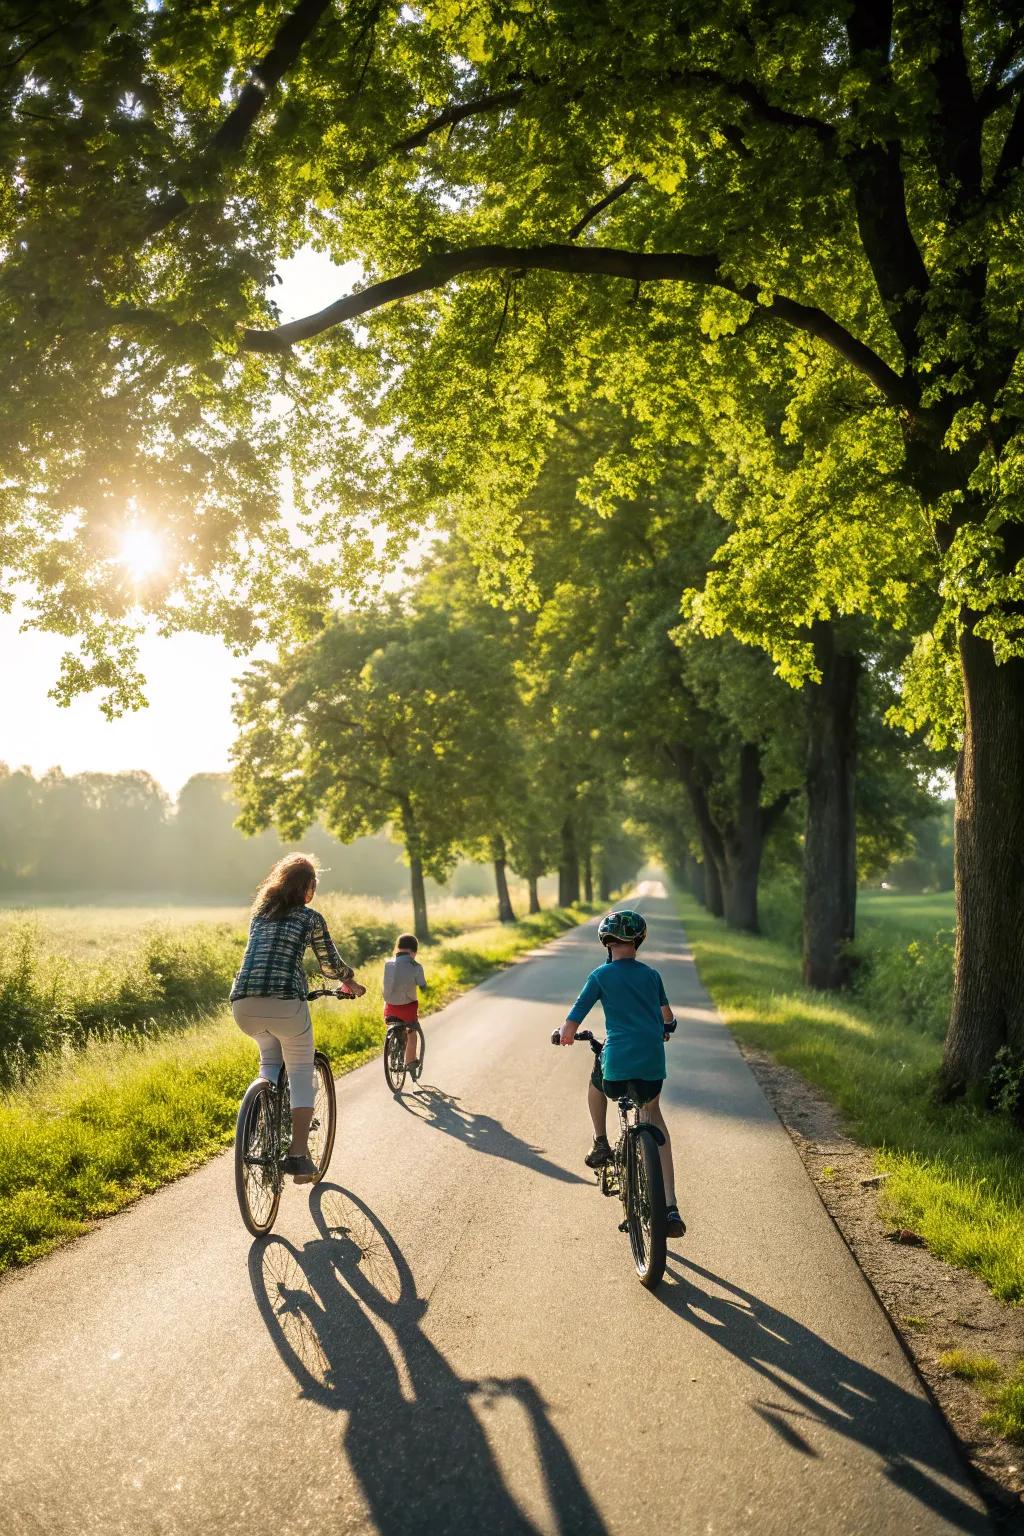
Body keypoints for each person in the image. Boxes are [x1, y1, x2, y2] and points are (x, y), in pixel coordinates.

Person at [230, 853, 365, 1183]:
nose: (314, 890)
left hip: (243, 1003)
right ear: (307, 887)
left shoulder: (260, 914)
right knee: (302, 1073)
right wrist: (349, 981)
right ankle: (298, 1156)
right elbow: (329, 965)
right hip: (286, 1003)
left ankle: (259, 1123)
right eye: (313, 884)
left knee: (269, 1061)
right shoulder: (310, 918)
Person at [560, 908, 685, 1237]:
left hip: (617, 1068)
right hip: (652, 1064)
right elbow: (667, 1018)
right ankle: (670, 1206)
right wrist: (667, 1027)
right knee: (653, 1115)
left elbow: (573, 1020)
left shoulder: (600, 976)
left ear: (606, 943)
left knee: (598, 1077)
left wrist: (564, 1034)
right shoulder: (652, 976)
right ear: (638, 941)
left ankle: (600, 1141)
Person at [382, 932, 427, 1073]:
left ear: (398, 948)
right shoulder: (416, 966)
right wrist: (424, 987)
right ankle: (410, 1061)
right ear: (414, 952)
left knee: (393, 1022)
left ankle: (393, 1045)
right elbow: (422, 984)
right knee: (412, 1034)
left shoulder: (388, 965)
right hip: (408, 1010)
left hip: (390, 1009)